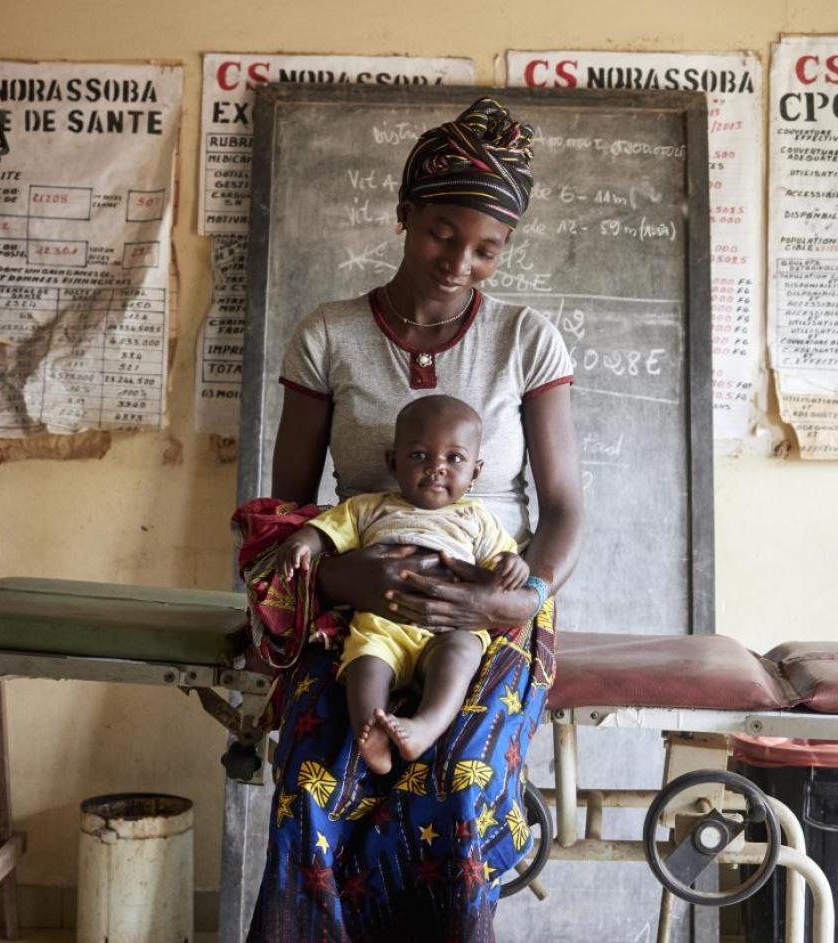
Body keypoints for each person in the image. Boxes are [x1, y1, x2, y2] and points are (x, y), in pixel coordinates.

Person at [242, 97, 583, 943]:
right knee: (317, 782)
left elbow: (566, 506)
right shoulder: (328, 335)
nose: (459, 261)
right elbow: (285, 513)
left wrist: (519, 596)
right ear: (404, 216)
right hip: (353, 605)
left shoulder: (526, 340)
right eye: (441, 233)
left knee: (462, 787)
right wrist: (343, 573)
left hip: (491, 608)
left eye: (486, 248)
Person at [276, 394, 530, 775]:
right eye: (418, 456)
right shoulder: (369, 507)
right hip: (383, 622)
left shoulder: (478, 519)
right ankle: (373, 733)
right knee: (364, 662)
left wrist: (514, 566)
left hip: (450, 626)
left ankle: (425, 727)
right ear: (392, 462)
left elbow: (500, 567)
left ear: (475, 473)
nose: (436, 468)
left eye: (454, 459)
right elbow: (326, 532)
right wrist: (301, 543)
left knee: (462, 653)